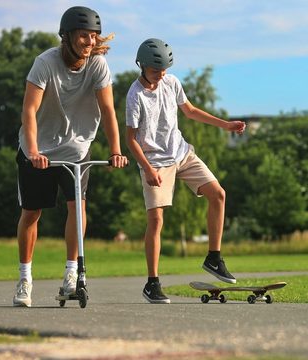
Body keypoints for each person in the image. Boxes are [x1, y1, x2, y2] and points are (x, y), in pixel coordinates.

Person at [13, 6, 128, 307]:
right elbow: (29, 110)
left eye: (93, 36)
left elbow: (108, 111)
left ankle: (71, 274)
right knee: (32, 213)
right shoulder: (44, 63)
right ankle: (25, 278)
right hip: (37, 148)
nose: (89, 42)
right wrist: (35, 151)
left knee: (77, 207)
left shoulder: (98, 65)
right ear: (67, 36)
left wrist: (115, 150)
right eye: (83, 36)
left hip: (77, 149)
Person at [125, 38, 246, 304]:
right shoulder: (135, 95)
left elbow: (189, 111)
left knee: (218, 194)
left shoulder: (172, 83)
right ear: (142, 66)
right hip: (155, 161)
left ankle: (214, 258)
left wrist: (225, 125)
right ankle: (152, 283)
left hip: (182, 153)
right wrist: (147, 168)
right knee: (156, 220)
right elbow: (130, 139)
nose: (162, 74)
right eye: (157, 70)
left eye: (165, 69)